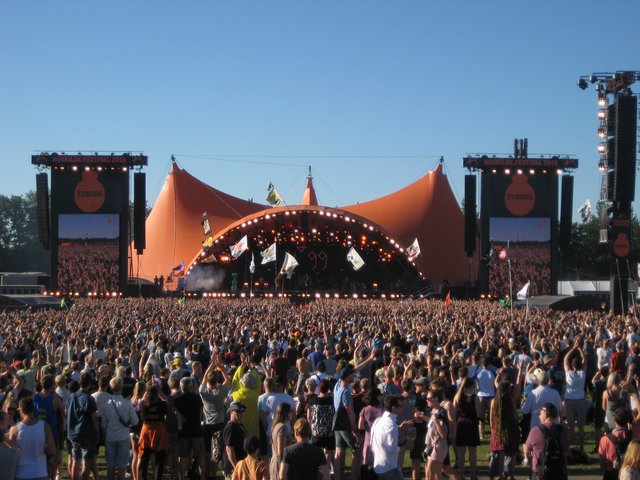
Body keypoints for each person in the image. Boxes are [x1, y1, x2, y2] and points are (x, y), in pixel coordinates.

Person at [8, 396, 57, 480]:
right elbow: (52, 450)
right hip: (40, 472)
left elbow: (11, 454)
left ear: (21, 410)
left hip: (21, 473)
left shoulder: (14, 429)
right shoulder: (45, 426)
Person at [101, 377, 139, 480]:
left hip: (110, 436)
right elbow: (135, 421)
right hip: (123, 437)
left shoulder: (106, 405)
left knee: (111, 466)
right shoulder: (127, 404)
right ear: (121, 388)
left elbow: (103, 424)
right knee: (122, 466)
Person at [523, 403, 570, 480]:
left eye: (540, 413)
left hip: (540, 473)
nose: (538, 416)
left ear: (546, 414)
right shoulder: (564, 431)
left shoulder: (535, 430)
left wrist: (532, 453)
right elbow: (567, 452)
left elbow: (526, 451)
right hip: (560, 472)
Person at [66, 372, 99, 480]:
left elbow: (67, 412)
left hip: (73, 433)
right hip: (86, 433)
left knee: (75, 459)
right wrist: (97, 431)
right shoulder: (89, 399)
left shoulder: (72, 396)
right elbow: (94, 417)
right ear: (89, 384)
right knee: (86, 460)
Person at [370, 394, 411, 480]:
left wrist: (398, 427)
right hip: (389, 468)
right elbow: (392, 449)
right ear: (393, 408)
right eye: (401, 406)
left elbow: (373, 441)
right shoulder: (391, 425)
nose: (403, 408)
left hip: (378, 467)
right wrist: (407, 440)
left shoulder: (378, 421)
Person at [333, 364, 363, 480]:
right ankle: (354, 477)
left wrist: (369, 359)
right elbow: (350, 412)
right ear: (346, 378)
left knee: (339, 450)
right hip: (346, 425)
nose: (354, 376)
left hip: (337, 423)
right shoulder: (346, 392)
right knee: (357, 451)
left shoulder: (337, 386)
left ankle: (337, 477)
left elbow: (355, 369)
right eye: (352, 375)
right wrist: (355, 430)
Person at [174, 377, 205, 480]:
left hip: (183, 430)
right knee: (200, 456)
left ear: (181, 387)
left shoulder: (177, 400)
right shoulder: (197, 398)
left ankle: (182, 477)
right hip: (196, 429)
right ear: (191, 386)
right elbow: (201, 412)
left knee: (182, 457)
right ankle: (202, 476)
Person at [488, 381, 519, 480]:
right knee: (510, 452)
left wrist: (493, 429)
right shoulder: (511, 400)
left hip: (497, 428)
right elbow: (515, 415)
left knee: (497, 452)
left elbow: (491, 418)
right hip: (510, 428)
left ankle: (497, 474)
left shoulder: (494, 401)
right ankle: (510, 474)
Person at [137, 385, 169, 480]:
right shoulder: (162, 404)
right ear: (157, 394)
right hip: (159, 429)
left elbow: (140, 401)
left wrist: (146, 393)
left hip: (146, 429)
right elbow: (167, 400)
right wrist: (159, 391)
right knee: (160, 459)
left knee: (144, 458)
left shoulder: (143, 404)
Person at [453, 377, 480, 480]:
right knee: (472, 452)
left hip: (461, 424)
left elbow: (454, 412)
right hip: (472, 424)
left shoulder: (458, 396)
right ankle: (473, 475)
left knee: (461, 453)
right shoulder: (474, 397)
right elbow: (478, 412)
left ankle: (462, 475)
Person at [598, 408, 631, 480]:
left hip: (611, 473)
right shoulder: (633, 436)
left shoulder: (604, 439)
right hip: (630, 473)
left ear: (615, 420)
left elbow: (602, 463)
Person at [223, 401, 249, 480]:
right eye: (238, 411)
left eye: (242, 411)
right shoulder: (230, 427)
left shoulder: (239, 425)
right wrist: (237, 468)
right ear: (231, 412)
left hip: (240, 464)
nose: (241, 413)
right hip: (232, 468)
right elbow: (229, 449)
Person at [269, 402, 294, 480]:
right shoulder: (282, 428)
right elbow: (281, 452)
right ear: (286, 413)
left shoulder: (277, 426)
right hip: (280, 465)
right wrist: (283, 470)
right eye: (291, 411)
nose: (292, 413)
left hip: (277, 463)